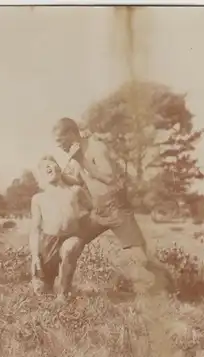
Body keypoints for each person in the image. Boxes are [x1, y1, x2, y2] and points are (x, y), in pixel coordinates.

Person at [52, 117, 173, 296]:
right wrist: (57, 175)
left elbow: (110, 178)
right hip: (98, 211)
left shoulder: (95, 147)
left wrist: (81, 160)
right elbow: (77, 180)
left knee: (141, 259)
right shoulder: (75, 153)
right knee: (70, 247)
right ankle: (62, 296)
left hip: (117, 209)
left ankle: (166, 281)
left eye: (60, 141)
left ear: (71, 133)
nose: (59, 146)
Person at [29, 155, 93, 302]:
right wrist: (34, 256)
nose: (50, 168)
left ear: (60, 169)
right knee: (42, 292)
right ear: (41, 176)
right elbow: (35, 229)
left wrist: (81, 225)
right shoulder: (39, 198)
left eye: (52, 165)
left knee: (71, 248)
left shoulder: (75, 191)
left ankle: (63, 294)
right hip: (48, 242)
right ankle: (46, 283)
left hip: (71, 236)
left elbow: (92, 210)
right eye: (46, 168)